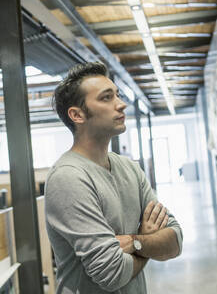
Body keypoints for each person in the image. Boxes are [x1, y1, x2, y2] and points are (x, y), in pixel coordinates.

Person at [45, 62, 183, 294]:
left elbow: (174, 241)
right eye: (106, 98)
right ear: (77, 115)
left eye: (117, 95)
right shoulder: (68, 178)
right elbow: (111, 273)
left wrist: (135, 242)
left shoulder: (129, 168)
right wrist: (148, 240)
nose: (121, 104)